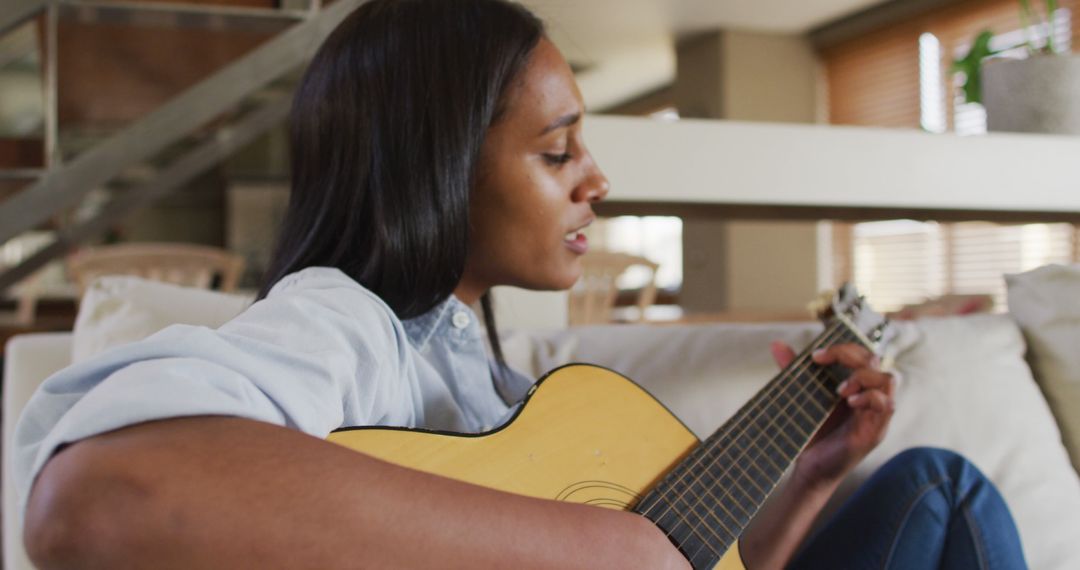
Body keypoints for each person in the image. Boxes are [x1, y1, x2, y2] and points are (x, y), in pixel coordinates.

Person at [16, 1, 1027, 568]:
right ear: (440, 168)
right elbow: (98, 499)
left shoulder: (495, 393)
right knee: (947, 490)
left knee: (923, 484)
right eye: (556, 152)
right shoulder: (346, 324)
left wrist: (809, 471)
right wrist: (606, 548)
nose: (599, 181)